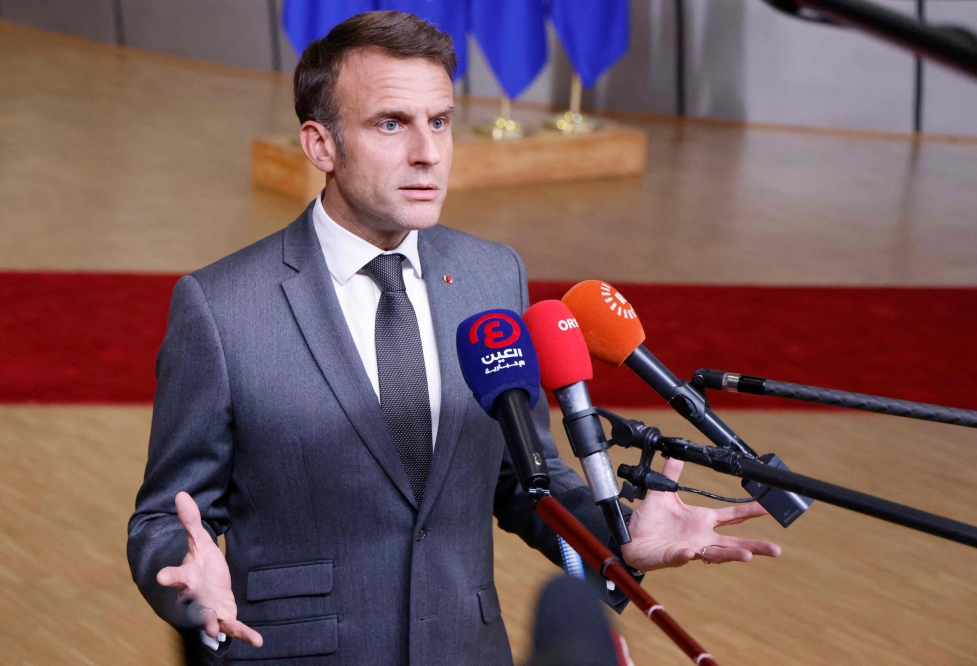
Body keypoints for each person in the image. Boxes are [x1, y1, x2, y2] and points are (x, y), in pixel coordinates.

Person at [127, 11, 780, 665]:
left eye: (439, 121)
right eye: (392, 123)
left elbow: (526, 476)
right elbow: (165, 516)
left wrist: (617, 535)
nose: (428, 152)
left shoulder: (492, 275)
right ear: (320, 145)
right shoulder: (219, 306)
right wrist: (190, 586)